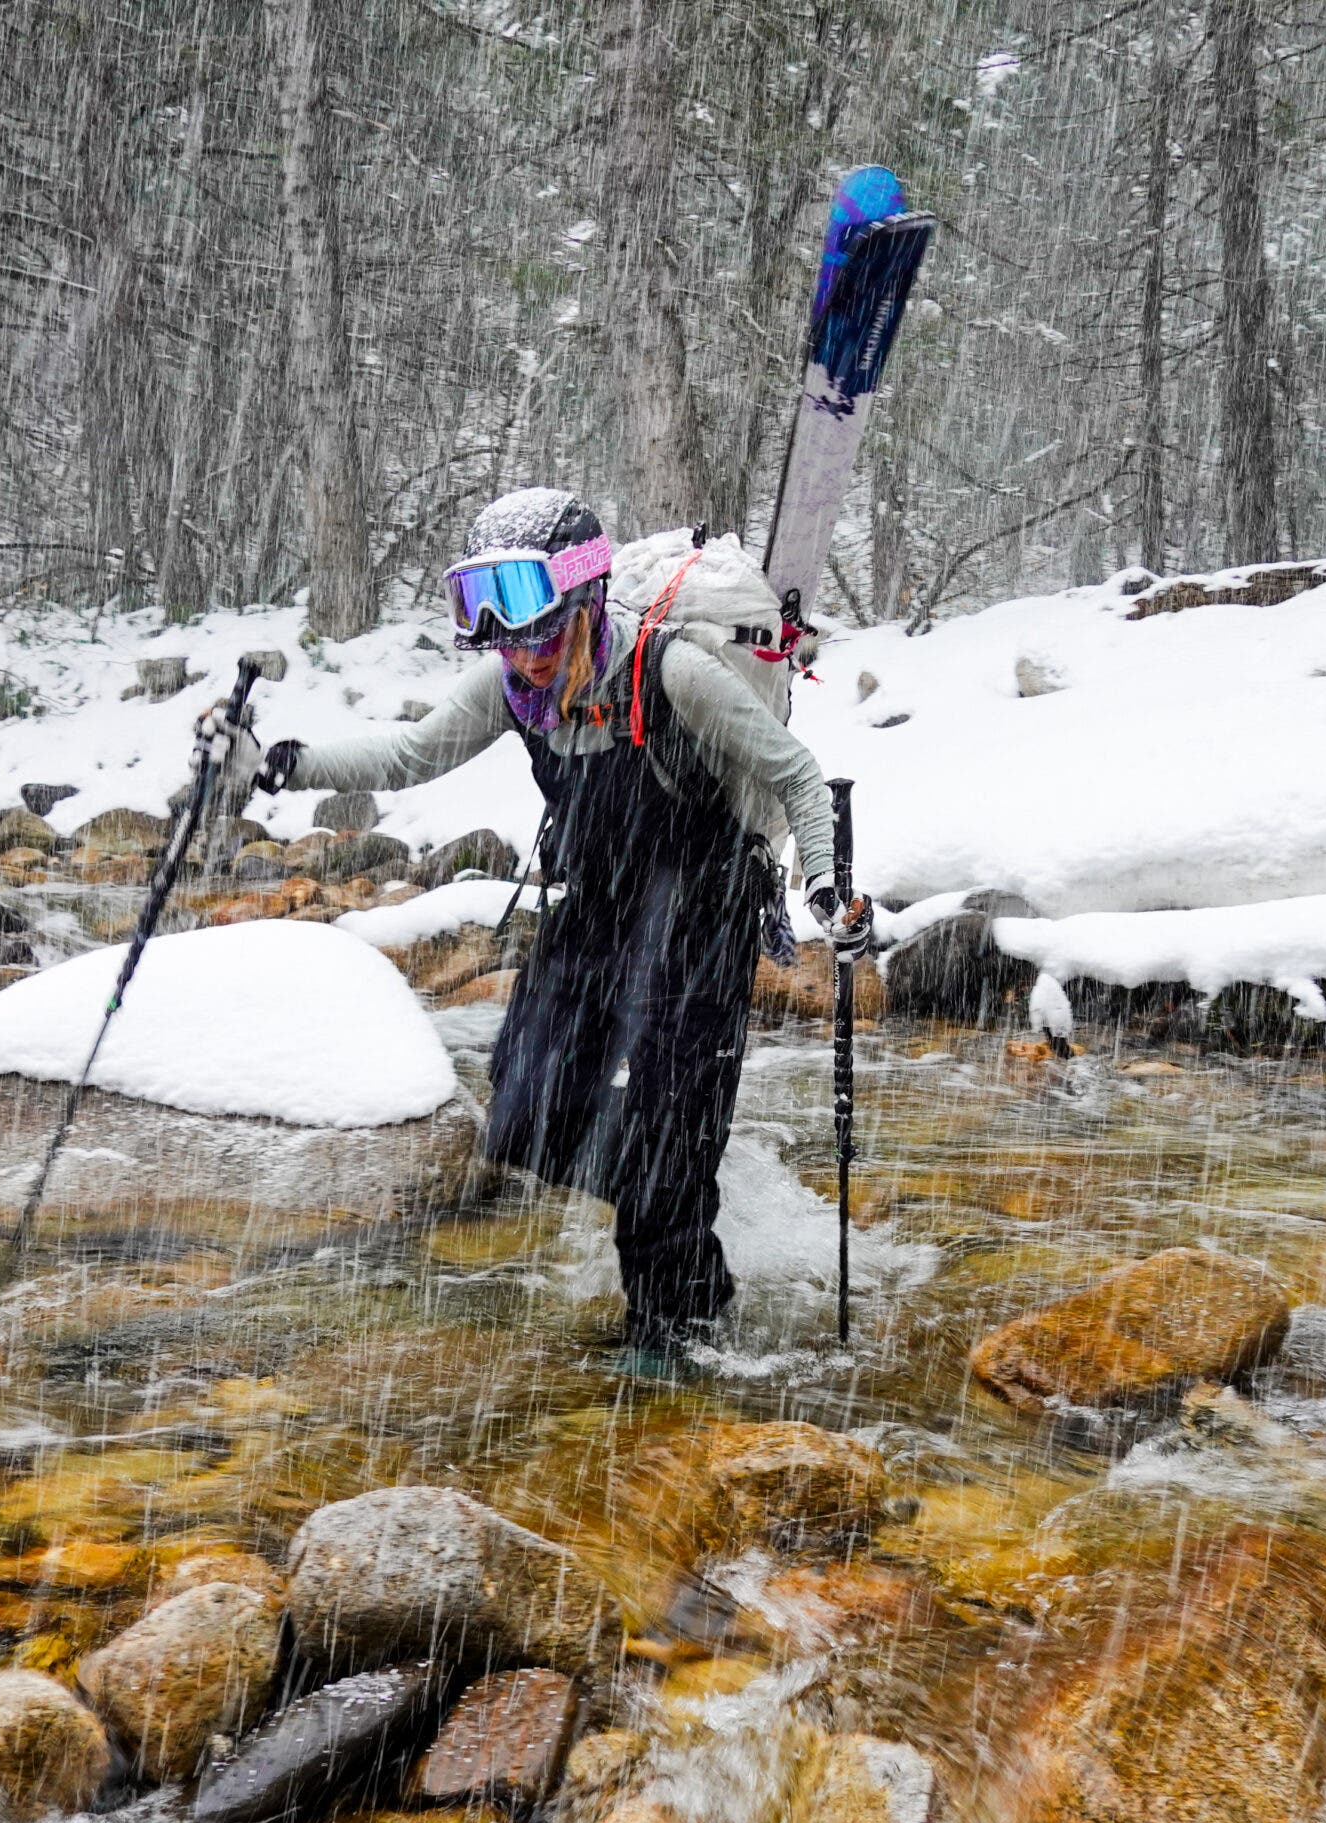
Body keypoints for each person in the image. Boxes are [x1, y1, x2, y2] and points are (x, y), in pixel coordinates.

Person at [202, 486, 870, 1370]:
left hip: (702, 912)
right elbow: (410, 753)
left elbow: (795, 774)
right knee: (524, 1115)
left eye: (530, 623)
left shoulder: (673, 672)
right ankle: (666, 1183)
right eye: (488, 620)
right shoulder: (515, 683)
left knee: (667, 1150)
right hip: (594, 908)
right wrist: (276, 767)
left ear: (585, 594)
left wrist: (824, 888)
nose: (514, 649)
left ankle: (679, 1331)